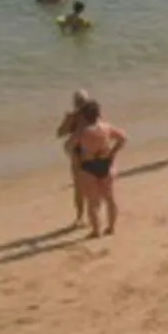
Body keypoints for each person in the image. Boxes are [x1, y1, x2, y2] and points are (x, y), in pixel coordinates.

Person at [67, 97, 125, 237]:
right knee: (109, 198)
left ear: (83, 117)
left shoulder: (82, 132)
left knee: (92, 202)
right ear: (98, 114)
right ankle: (111, 227)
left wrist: (77, 158)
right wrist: (112, 152)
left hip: (88, 166)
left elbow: (68, 146)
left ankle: (96, 230)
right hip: (105, 163)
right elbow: (123, 138)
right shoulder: (106, 127)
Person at [57, 88, 95, 226]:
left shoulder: (92, 115)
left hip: (88, 153)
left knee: (86, 186)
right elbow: (60, 132)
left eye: (81, 101)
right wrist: (69, 121)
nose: (80, 104)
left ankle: (86, 215)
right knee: (80, 187)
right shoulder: (76, 117)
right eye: (78, 101)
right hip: (80, 155)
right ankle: (81, 216)